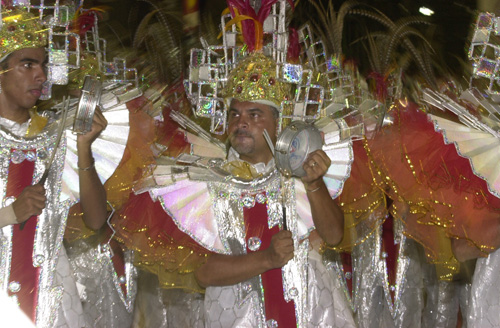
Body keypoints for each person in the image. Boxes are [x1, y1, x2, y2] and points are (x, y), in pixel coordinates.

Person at [134, 52, 356, 327]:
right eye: (235, 114)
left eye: (254, 114)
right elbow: (203, 273)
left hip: (309, 311)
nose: (241, 122)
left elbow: (334, 236)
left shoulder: (301, 172)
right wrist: (267, 259)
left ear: (278, 124)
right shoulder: (206, 182)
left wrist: (313, 183)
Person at [0, 7, 108, 327]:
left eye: (44, 65)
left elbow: (96, 219)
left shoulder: (57, 133)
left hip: (51, 296)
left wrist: (84, 148)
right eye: (28, 64)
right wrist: (10, 214)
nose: (42, 76)